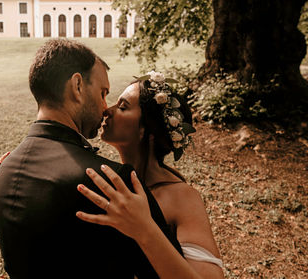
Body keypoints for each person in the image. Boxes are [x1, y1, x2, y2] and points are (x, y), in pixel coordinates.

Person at [0, 39, 183, 279]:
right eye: (103, 93)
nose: (105, 107)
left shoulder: (3, 173)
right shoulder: (115, 185)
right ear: (77, 86)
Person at [74, 73, 225, 278]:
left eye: (123, 107)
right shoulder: (112, 181)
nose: (106, 111)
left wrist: (143, 228)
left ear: (146, 129)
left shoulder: (182, 197)